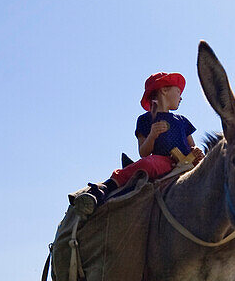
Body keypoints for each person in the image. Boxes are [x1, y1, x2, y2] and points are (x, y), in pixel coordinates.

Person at [71, 71, 203, 217]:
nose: (181, 96)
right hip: (164, 161)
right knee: (148, 163)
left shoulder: (182, 120)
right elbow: (143, 152)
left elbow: (192, 146)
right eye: (178, 91)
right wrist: (152, 136)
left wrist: (196, 153)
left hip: (187, 163)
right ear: (164, 90)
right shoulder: (145, 120)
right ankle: (104, 188)